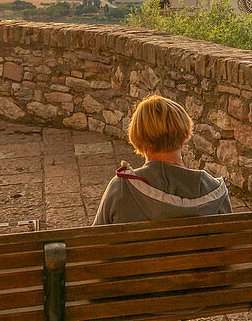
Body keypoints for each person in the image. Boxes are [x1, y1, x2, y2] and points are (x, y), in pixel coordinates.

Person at [93, 94, 232, 225]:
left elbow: (93, 244)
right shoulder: (213, 190)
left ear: (139, 140)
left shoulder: (121, 188)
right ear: (184, 137)